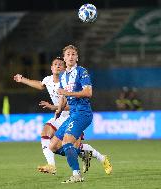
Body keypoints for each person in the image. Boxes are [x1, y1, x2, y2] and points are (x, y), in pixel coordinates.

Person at [13, 57, 108, 176]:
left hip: (73, 116)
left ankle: (98, 157)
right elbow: (39, 84)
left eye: (60, 64)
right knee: (45, 132)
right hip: (59, 116)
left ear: (64, 68)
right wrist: (22, 79)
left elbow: (72, 104)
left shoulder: (68, 81)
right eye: (55, 64)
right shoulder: (48, 80)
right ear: (51, 68)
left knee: (73, 147)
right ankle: (51, 165)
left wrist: (54, 107)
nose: (58, 66)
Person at [50, 45, 112, 183]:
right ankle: (91, 155)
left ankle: (77, 175)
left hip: (83, 113)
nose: (71, 57)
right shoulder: (63, 76)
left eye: (73, 54)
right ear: (64, 58)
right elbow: (63, 96)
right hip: (73, 114)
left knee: (67, 142)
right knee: (53, 146)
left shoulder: (81, 71)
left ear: (77, 57)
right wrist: (59, 109)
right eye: (68, 54)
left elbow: (88, 92)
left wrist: (68, 93)